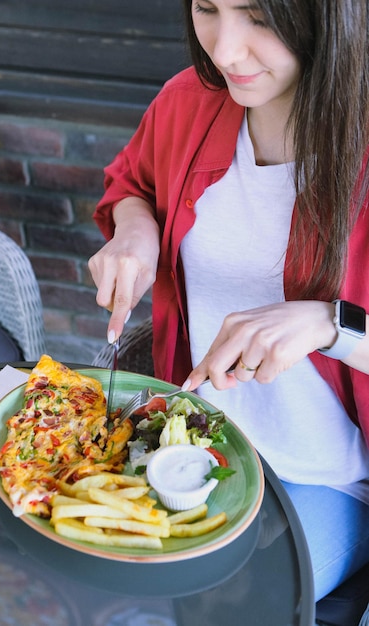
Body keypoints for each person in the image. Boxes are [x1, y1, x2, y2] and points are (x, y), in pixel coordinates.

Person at [89, 0, 369, 602]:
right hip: (194, 438)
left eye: (260, 18)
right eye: (207, 8)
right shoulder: (189, 100)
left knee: (227, 603)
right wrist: (135, 230)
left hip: (328, 479)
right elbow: (130, 184)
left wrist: (329, 324)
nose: (224, 50)